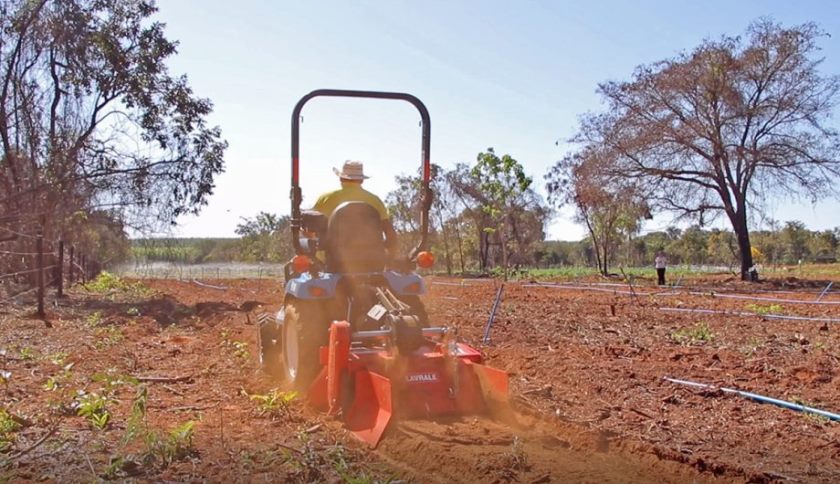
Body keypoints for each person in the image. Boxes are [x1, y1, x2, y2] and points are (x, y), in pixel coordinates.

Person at [311, 160, 398, 257]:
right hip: (370, 264)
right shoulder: (375, 201)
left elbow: (309, 230)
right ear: (361, 180)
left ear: (341, 178)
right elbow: (390, 235)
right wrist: (390, 261)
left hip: (328, 265)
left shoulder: (325, 199)